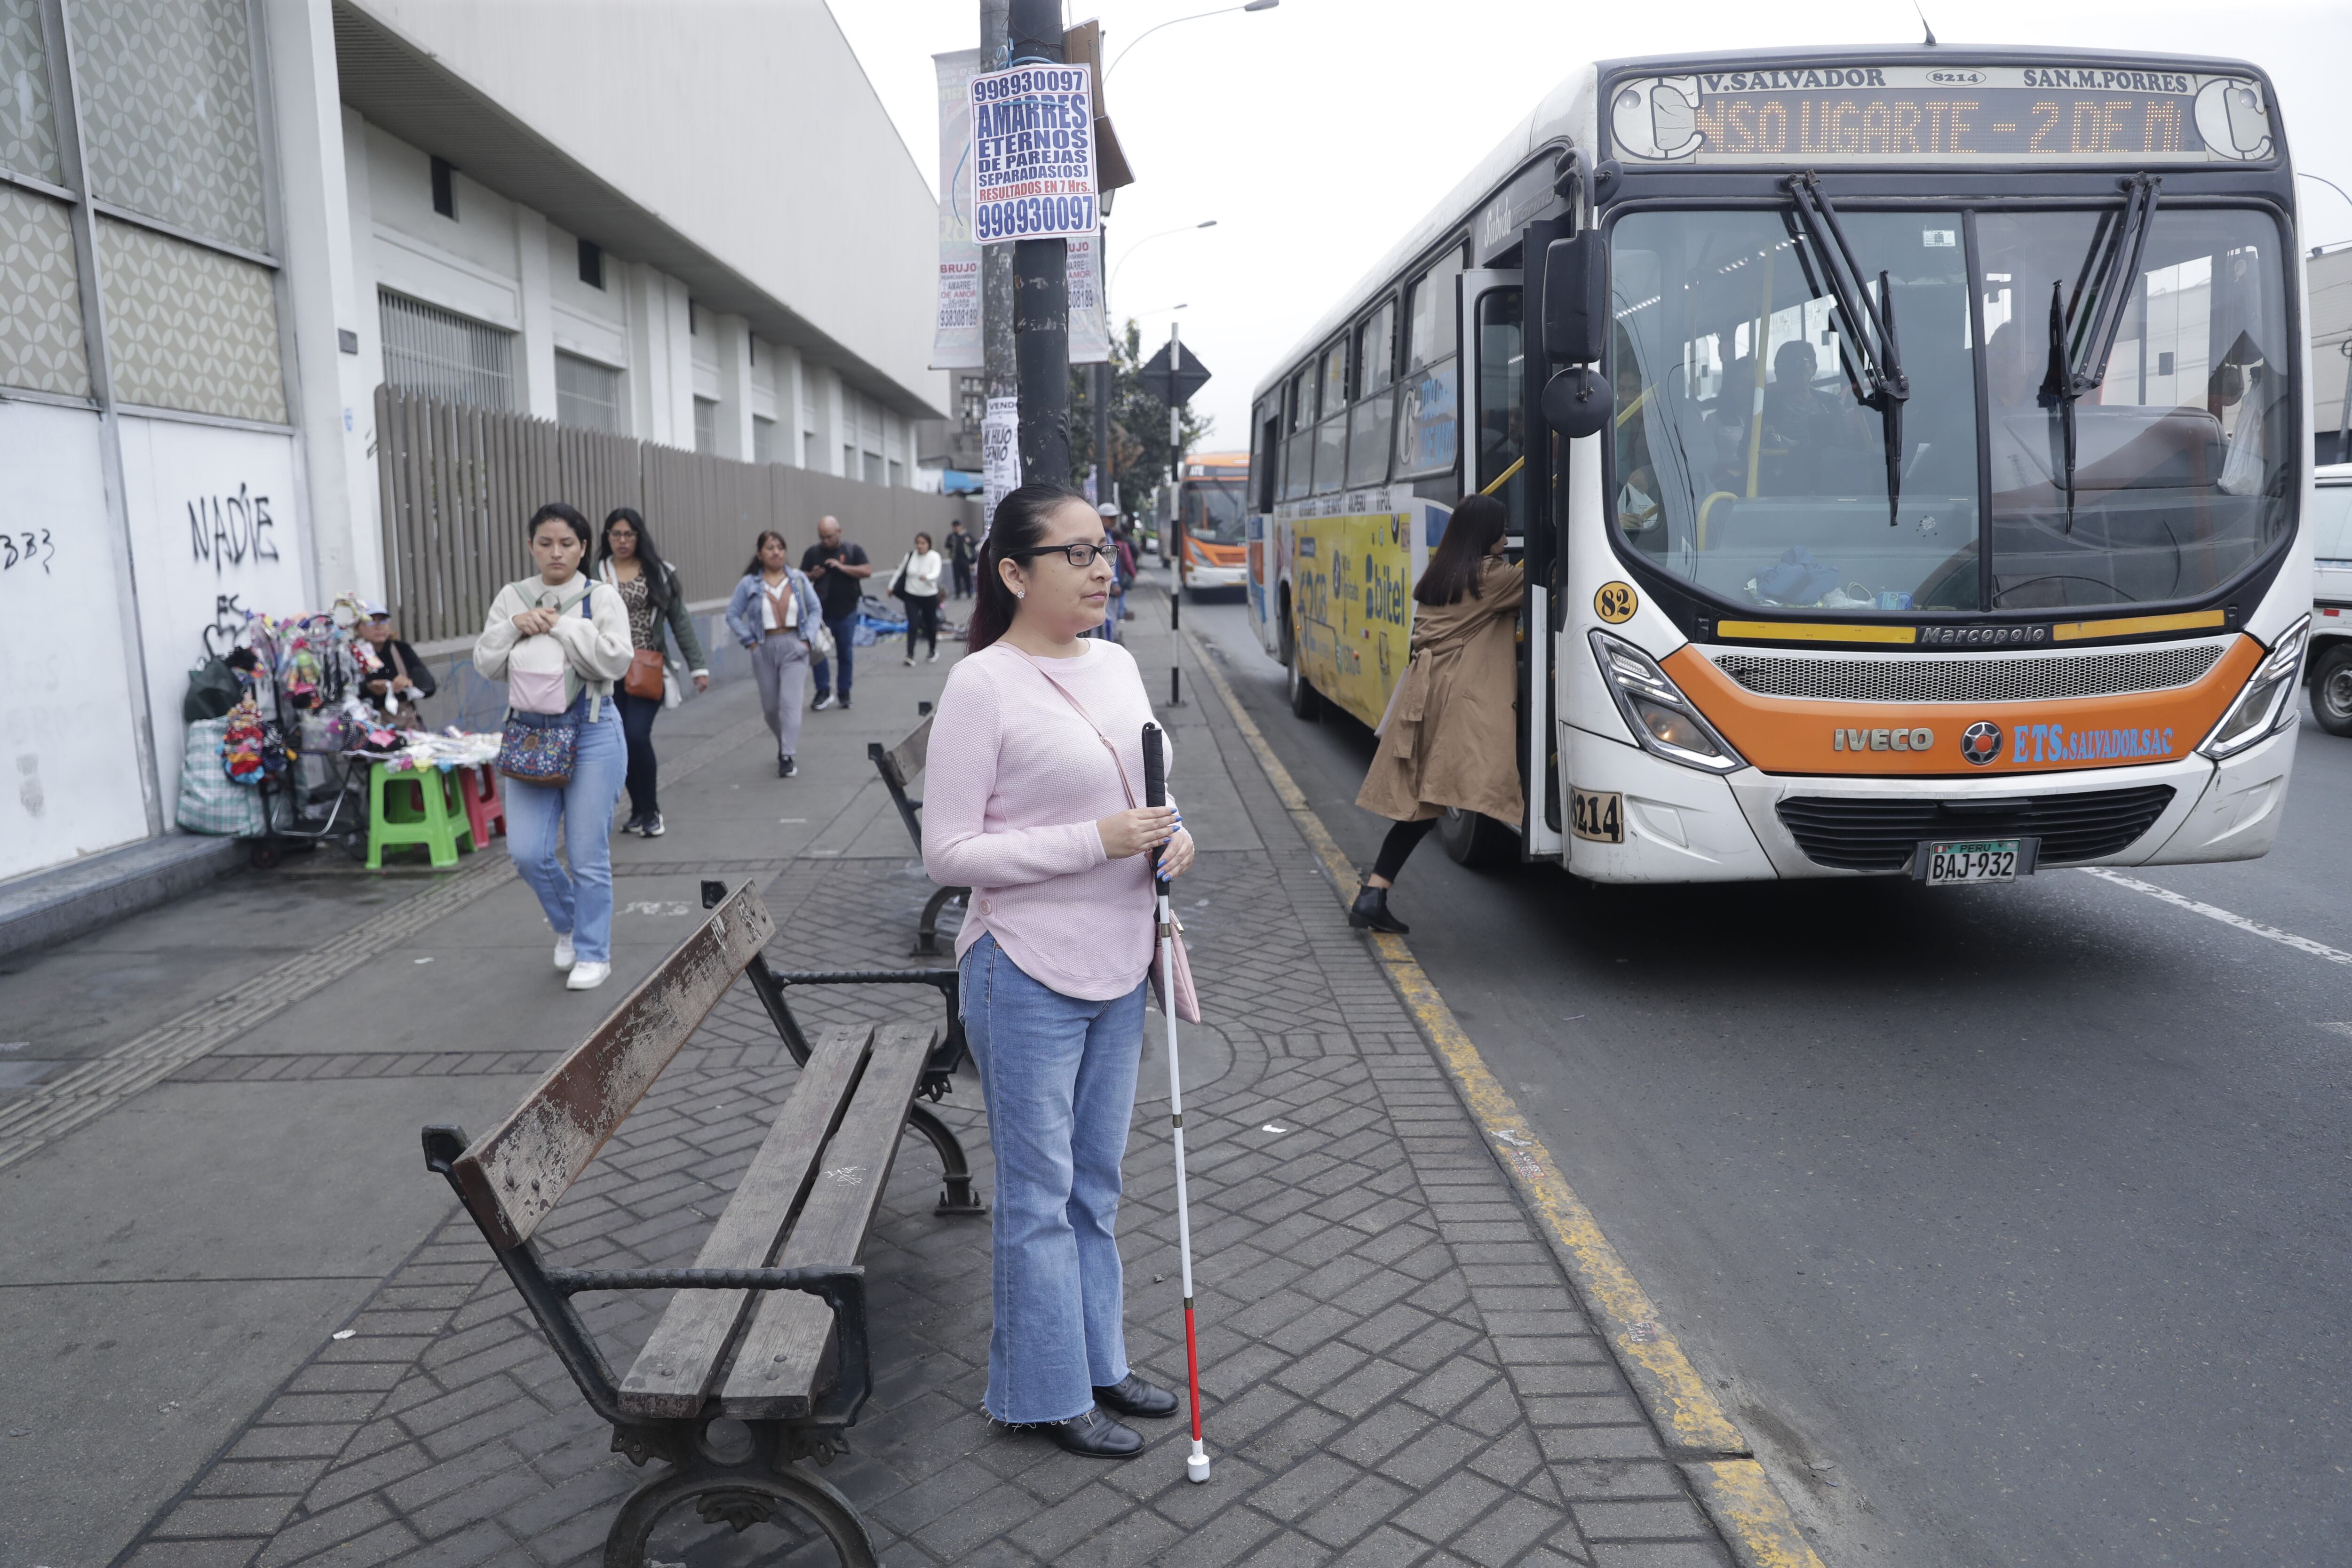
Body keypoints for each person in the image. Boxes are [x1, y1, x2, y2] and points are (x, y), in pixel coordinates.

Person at [923, 482, 1196, 1459]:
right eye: (1074, 553)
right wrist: (1095, 841)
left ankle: (1098, 1361)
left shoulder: (1116, 662)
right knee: (1039, 1195)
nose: (1101, 568)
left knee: (1096, 1185)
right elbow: (948, 853)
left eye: (1103, 547)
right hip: (1025, 969)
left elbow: (1145, 788)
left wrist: (1174, 834)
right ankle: (1042, 1392)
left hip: (1121, 960)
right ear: (1013, 572)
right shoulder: (982, 685)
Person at [475, 502, 634, 990]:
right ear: (531, 546)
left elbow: (616, 661)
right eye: (545, 543)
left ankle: (594, 952)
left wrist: (563, 625)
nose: (556, 552)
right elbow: (487, 662)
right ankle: (568, 922)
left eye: (567, 543)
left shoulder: (600, 596)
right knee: (527, 851)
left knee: (587, 853)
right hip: (530, 734)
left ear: (584, 548)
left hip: (592, 728)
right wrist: (513, 625)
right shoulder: (513, 596)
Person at [1349, 493, 1523, 934]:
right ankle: (1372, 894)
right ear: (1485, 535)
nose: (1506, 540)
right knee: (1429, 803)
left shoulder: (1443, 572)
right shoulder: (1489, 578)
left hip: (1423, 695)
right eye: (1502, 531)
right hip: (1449, 701)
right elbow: (1546, 576)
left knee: (1422, 807)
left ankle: (1373, 894)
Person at [597, 508, 709, 838]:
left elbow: (680, 620)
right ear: (607, 537)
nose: (622, 541)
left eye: (628, 534)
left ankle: (652, 811)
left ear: (639, 537)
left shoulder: (659, 573)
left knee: (636, 735)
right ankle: (637, 809)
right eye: (616, 534)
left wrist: (698, 666)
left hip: (647, 668)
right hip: (607, 671)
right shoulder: (596, 573)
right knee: (619, 743)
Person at [725, 530, 824, 778]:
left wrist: (807, 640)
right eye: (770, 548)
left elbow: (815, 609)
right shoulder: (749, 584)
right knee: (770, 708)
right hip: (763, 647)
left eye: (780, 548)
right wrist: (750, 642)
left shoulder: (798, 579)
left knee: (790, 704)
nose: (776, 553)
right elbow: (733, 614)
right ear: (760, 554)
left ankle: (788, 755)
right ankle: (784, 741)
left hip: (795, 647)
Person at [801, 514, 870, 710]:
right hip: (820, 613)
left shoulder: (853, 550)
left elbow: (867, 571)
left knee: (845, 652)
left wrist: (843, 568)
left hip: (847, 610)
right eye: (822, 537)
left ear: (839, 532)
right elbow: (800, 577)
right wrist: (812, 575)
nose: (826, 541)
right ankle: (823, 691)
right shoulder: (813, 553)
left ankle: (844, 692)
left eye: (829, 537)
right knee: (819, 652)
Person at [355, 603, 437, 724]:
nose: (379, 627)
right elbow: (344, 694)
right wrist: (369, 688)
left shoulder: (402, 649)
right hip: (366, 723)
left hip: (403, 720)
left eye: (383, 621)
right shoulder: (351, 654)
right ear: (358, 628)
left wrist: (409, 682)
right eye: (371, 622)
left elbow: (429, 686)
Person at [893, 530, 944, 664]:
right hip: (911, 595)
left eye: (923, 543)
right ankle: (910, 655)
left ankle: (932, 650)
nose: (920, 546)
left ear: (929, 544)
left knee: (930, 624)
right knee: (913, 624)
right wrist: (891, 586)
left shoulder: (934, 556)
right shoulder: (911, 555)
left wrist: (927, 577)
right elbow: (901, 571)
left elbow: (936, 572)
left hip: (929, 596)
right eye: (918, 543)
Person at [946, 517, 977, 598]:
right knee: (957, 577)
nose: (956, 528)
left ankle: (969, 592)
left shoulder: (966, 534)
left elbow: (975, 542)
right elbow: (946, 545)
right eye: (955, 527)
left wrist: (969, 542)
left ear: (961, 526)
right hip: (956, 559)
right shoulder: (952, 536)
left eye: (958, 526)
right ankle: (958, 593)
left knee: (967, 576)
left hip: (966, 559)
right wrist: (951, 544)